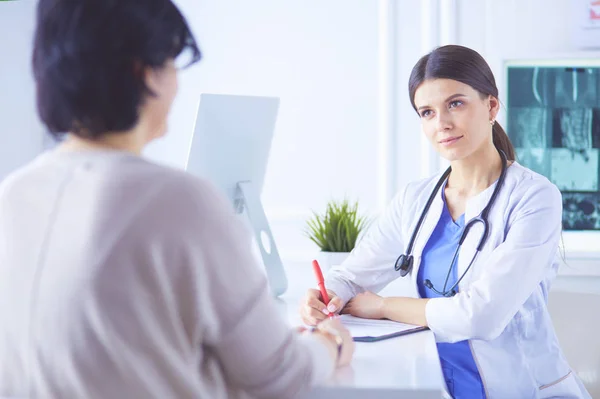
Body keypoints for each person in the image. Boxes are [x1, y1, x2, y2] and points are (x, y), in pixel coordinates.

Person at [0, 1, 354, 398]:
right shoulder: (179, 201)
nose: (177, 84)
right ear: (142, 72)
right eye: (171, 64)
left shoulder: (13, 195)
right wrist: (330, 344)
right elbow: (279, 377)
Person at [300, 45, 591, 399]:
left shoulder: (534, 197)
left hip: (522, 389)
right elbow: (349, 275)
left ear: (491, 106)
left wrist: (382, 306)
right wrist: (324, 295)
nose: (442, 124)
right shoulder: (416, 199)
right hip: (444, 386)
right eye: (427, 112)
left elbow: (481, 316)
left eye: (456, 103)